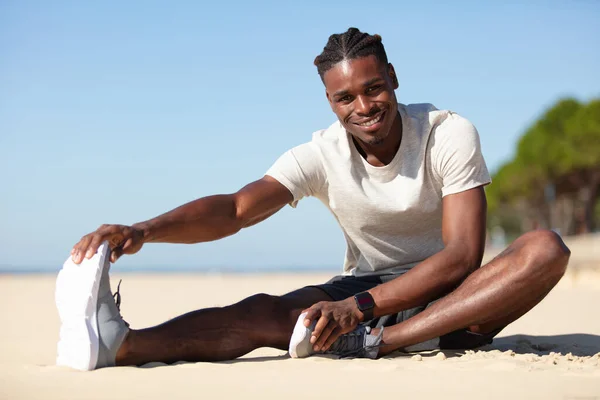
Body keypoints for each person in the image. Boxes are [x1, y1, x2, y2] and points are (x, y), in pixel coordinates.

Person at [58, 27, 571, 370]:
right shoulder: (321, 153)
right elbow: (237, 209)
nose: (364, 107)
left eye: (373, 89)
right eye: (346, 98)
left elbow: (461, 255)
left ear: (393, 79)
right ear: (330, 101)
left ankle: (381, 343)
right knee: (263, 311)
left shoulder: (447, 132)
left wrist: (359, 312)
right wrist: (144, 230)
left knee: (545, 249)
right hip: (363, 290)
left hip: (453, 299)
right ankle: (121, 345)